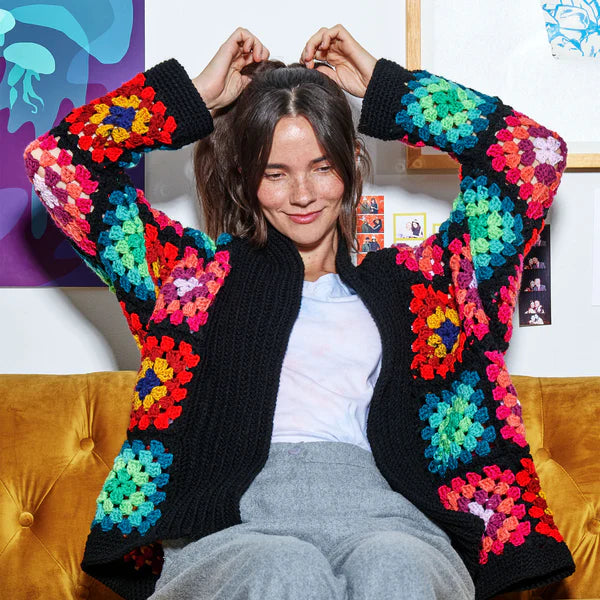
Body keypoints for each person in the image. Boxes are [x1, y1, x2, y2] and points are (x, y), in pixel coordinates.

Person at [23, 23, 574, 600]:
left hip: (391, 518)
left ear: (352, 164)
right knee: (284, 571)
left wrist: (388, 90)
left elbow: (531, 157)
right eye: (275, 173)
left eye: (322, 166)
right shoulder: (190, 280)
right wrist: (195, 98)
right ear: (245, 179)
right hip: (233, 529)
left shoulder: (427, 288)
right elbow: (59, 165)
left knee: (397, 569)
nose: (304, 194)